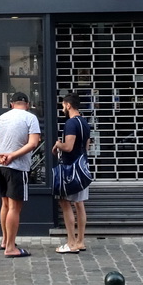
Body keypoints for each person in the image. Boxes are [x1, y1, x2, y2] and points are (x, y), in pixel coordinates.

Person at [0, 91, 41, 258]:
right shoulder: (30, 118)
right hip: (17, 167)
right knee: (14, 208)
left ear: (11, 104)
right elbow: (33, 143)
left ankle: (5, 240)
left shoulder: (1, 118)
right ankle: (10, 247)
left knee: (4, 205)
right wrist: (13, 156)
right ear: (27, 104)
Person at [52, 92, 91, 254]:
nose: (62, 108)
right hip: (82, 168)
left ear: (68, 105)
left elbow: (68, 147)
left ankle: (71, 243)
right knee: (80, 204)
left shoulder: (70, 124)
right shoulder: (85, 123)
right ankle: (80, 241)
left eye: (63, 105)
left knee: (64, 202)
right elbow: (86, 147)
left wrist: (57, 145)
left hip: (70, 169)